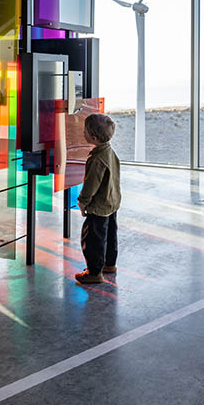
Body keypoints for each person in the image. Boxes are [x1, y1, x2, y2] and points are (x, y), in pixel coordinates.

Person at [76, 112, 121, 285]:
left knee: (93, 239)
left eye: (85, 131)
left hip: (99, 207)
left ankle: (94, 273)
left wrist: (82, 202)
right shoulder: (109, 152)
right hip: (111, 203)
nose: (83, 133)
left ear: (93, 138)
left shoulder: (97, 159)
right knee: (110, 235)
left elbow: (91, 185)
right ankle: (109, 265)